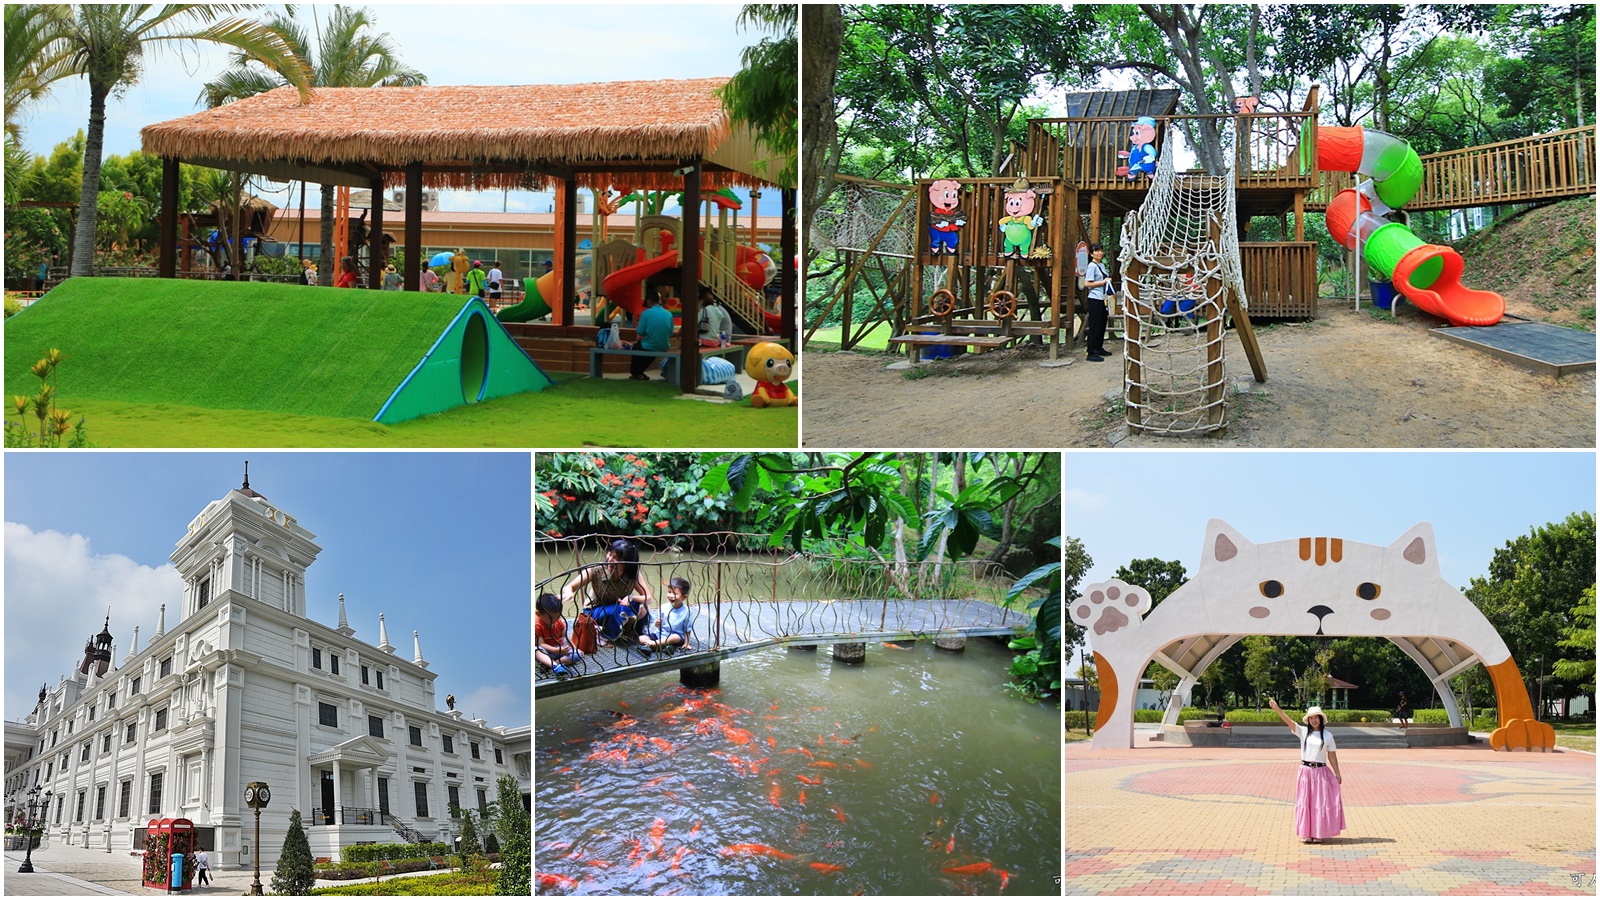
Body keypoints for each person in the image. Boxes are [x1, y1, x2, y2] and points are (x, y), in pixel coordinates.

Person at [1268, 699, 1345, 844]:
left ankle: (1318, 833)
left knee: (1319, 803)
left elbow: (1332, 755)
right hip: (1305, 772)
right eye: (1311, 718)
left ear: (1321, 719)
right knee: (1306, 801)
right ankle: (1306, 833)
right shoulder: (1303, 732)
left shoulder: (1328, 735)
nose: (1314, 720)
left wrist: (1337, 773)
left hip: (1321, 772)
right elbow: (1288, 721)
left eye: (1316, 717)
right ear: (1308, 720)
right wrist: (1277, 708)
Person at [561, 537, 654, 640]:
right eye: (610, 554)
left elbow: (648, 598)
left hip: (618, 608)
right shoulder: (596, 571)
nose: (610, 560)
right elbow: (570, 586)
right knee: (619, 609)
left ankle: (629, 630)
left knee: (640, 605)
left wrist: (631, 597)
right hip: (595, 610)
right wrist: (569, 593)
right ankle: (606, 636)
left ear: (627, 563)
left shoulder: (633, 574)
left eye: (617, 558)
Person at [639, 577, 693, 655]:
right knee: (641, 638)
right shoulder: (663, 607)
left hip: (674, 637)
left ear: (684, 597)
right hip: (660, 635)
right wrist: (657, 624)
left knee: (675, 637)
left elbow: (687, 630)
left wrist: (687, 643)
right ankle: (663, 647)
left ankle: (651, 645)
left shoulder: (687, 612)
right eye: (669, 592)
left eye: (675, 594)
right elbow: (658, 626)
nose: (671, 596)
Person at [535, 593, 583, 676]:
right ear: (538, 614)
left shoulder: (558, 622)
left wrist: (575, 648)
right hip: (546, 651)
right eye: (551, 618)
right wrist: (556, 650)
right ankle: (554, 665)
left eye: (557, 617)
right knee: (536, 650)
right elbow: (541, 644)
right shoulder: (537, 625)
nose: (555, 620)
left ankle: (552, 664)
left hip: (560, 649)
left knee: (577, 653)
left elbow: (566, 637)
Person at [630, 293, 675, 381]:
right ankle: (639, 373)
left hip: (649, 345)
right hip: (664, 345)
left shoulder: (646, 313)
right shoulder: (669, 314)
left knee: (637, 348)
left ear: (648, 301)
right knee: (649, 348)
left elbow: (640, 331)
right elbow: (670, 333)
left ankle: (637, 373)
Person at [1083, 243, 1112, 362]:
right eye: (1096, 251)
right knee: (1095, 325)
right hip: (1094, 298)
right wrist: (1103, 282)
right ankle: (1091, 352)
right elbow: (1087, 283)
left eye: (1100, 251)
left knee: (1102, 323)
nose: (1099, 253)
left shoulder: (1102, 265)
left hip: (1102, 298)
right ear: (1091, 254)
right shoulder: (1092, 266)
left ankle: (1099, 347)